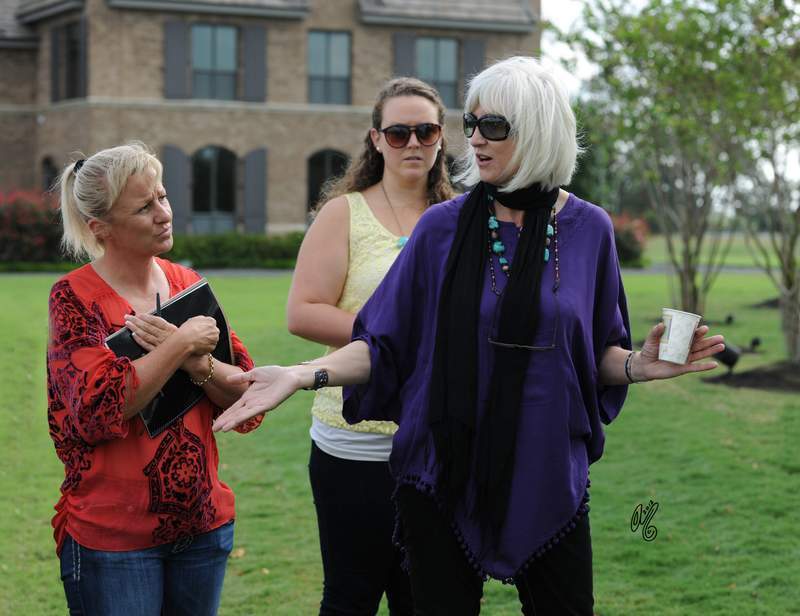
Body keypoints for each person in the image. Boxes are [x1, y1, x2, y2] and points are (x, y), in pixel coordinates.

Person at [213, 57, 725, 614]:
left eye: (494, 127)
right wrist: (300, 373)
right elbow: (385, 343)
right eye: (471, 123)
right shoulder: (442, 228)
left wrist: (636, 365)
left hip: (547, 471)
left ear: (538, 131)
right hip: (443, 472)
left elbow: (594, 352)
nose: (475, 139)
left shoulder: (589, 230)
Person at [47, 142, 263, 616]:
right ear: (100, 228)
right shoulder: (75, 298)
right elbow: (96, 411)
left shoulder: (187, 283)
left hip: (204, 527)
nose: (163, 213)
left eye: (162, 197)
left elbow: (245, 398)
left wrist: (195, 363)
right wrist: (179, 344)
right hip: (115, 542)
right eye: (144, 207)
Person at [286, 77, 455, 615]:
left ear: (442, 137)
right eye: (399, 132)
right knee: (351, 596)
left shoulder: (464, 218)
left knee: (426, 598)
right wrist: (392, 330)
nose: (413, 144)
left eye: (425, 131)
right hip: (354, 444)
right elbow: (303, 311)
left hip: (437, 441)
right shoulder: (345, 213)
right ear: (376, 139)